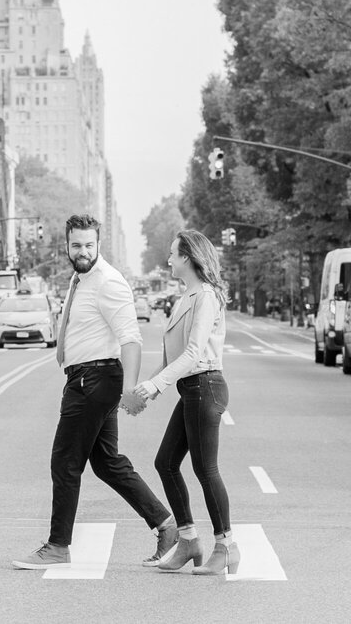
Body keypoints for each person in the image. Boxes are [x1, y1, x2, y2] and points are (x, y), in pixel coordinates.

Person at [11, 214, 175, 570]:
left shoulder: (107, 282)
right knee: (106, 463)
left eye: (88, 245)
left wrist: (131, 390)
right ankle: (167, 525)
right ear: (67, 245)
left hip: (94, 379)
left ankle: (57, 546)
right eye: (76, 245)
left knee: (65, 462)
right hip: (86, 377)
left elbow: (131, 339)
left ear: (98, 244)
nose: (82, 251)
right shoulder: (80, 278)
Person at [131, 229, 237, 575]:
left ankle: (226, 546)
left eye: (174, 254)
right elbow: (171, 355)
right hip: (191, 388)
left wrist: (154, 384)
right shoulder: (185, 297)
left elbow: (193, 353)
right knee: (165, 462)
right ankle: (190, 540)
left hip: (206, 385)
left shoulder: (205, 296)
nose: (169, 260)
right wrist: (148, 391)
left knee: (206, 470)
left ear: (188, 258)